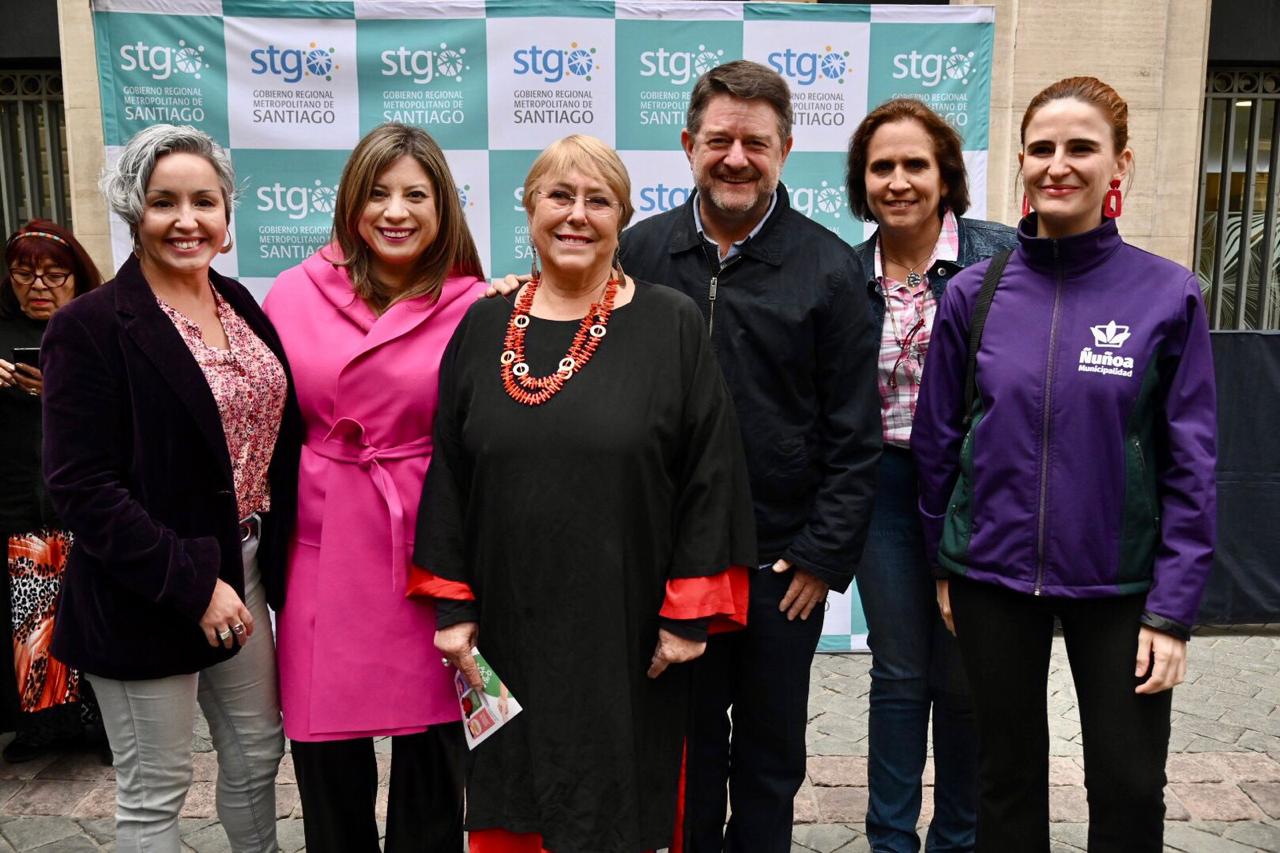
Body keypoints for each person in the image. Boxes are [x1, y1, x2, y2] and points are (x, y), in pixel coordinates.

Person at [413, 134, 756, 853]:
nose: (576, 215)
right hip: (508, 626)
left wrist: (688, 615)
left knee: (622, 807)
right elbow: (449, 468)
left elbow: (710, 473)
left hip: (628, 630)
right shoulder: (482, 325)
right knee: (516, 803)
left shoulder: (672, 323)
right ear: (529, 209)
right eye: (558, 196)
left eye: (597, 200)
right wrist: (452, 605)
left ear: (623, 217)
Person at [912, 76, 1217, 853]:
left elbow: (1192, 463)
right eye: (1042, 148)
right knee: (1004, 782)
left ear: (1121, 164)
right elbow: (939, 442)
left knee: (1127, 782)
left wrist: (1173, 611)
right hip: (991, 580)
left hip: (1121, 585)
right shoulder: (974, 295)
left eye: (1081, 147)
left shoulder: (1168, 294)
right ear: (1020, 160)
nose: (1059, 164)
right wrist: (946, 563)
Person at [616, 61, 881, 851]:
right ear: (688, 143)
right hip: (668, 562)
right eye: (720, 140)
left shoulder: (831, 270)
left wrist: (820, 556)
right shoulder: (637, 252)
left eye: (756, 144)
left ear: (787, 150)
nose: (737, 158)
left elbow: (854, 435)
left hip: (777, 568)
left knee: (769, 758)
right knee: (685, 753)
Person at [41, 124, 301, 853]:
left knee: (256, 757)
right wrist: (192, 583)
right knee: (156, 787)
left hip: (243, 568)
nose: (186, 220)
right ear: (134, 210)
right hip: (143, 586)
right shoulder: (88, 327)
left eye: (204, 202)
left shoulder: (241, 304)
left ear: (227, 214)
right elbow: (79, 485)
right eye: (164, 203)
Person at [264, 122, 482, 853]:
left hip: (431, 544)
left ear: (442, 206)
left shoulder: (477, 302)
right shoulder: (293, 292)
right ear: (352, 204)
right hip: (321, 546)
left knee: (433, 752)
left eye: (416, 194)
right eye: (379, 193)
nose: (396, 211)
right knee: (325, 754)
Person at [844, 98, 1016, 853]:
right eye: (882, 166)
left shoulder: (1003, 259)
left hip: (976, 490)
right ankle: (889, 840)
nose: (899, 180)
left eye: (916, 163)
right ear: (862, 181)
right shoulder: (842, 274)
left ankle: (958, 838)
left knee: (966, 672)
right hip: (883, 487)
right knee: (901, 666)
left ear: (946, 173)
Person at [0, 220, 105, 764]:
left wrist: (59, 391)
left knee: (91, 614)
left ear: (76, 278)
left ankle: (103, 723)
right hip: (21, 504)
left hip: (89, 504)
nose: (38, 286)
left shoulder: (96, 327)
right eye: (23, 275)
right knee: (34, 619)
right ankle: (47, 726)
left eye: (54, 276)